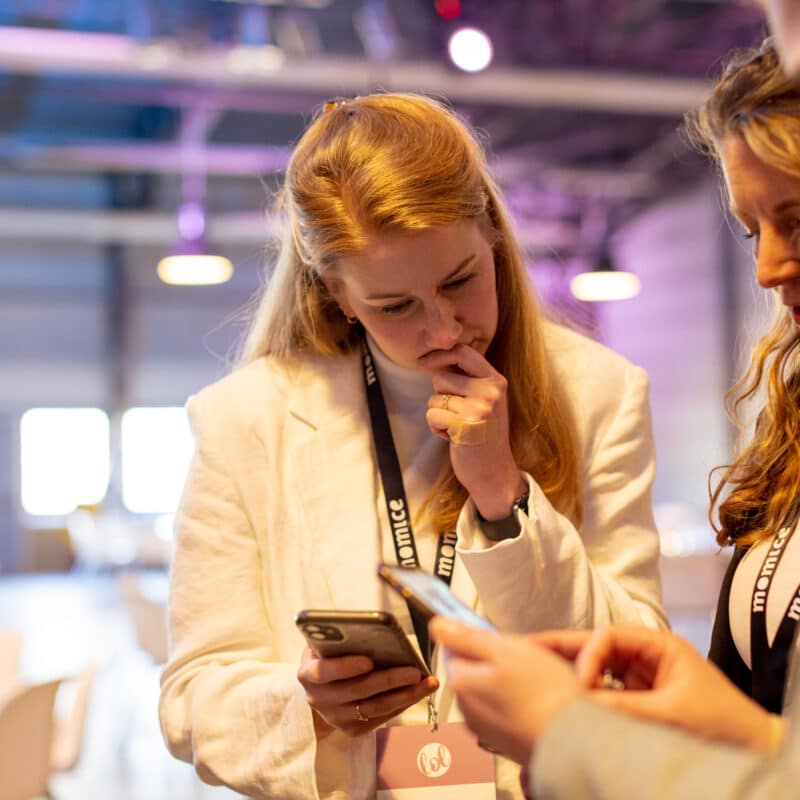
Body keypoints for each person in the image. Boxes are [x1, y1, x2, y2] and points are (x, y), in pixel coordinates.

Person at [157, 91, 667, 800]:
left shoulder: (600, 394)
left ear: (492, 235)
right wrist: (305, 704)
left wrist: (503, 496)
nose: (445, 330)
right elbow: (191, 700)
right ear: (338, 294)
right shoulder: (245, 419)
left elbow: (637, 666)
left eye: (461, 280)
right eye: (395, 306)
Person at [429, 37, 800, 800]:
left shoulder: (603, 388)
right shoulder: (789, 432)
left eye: (797, 220)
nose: (767, 268)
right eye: (751, 229)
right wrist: (723, 718)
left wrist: (573, 735)